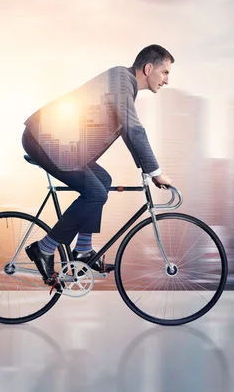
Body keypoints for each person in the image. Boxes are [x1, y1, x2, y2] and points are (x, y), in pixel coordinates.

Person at [21, 44, 174, 286]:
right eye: (165, 72)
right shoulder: (121, 80)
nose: (166, 80)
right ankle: (44, 248)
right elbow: (133, 128)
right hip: (44, 140)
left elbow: (127, 130)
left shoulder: (125, 84)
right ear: (148, 68)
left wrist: (146, 169)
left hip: (61, 145)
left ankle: (83, 251)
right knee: (94, 193)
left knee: (102, 182)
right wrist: (155, 172)